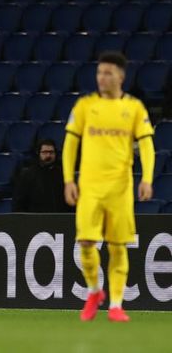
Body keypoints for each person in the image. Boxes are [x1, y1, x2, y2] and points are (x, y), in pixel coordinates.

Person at [62, 52, 155, 322]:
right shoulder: (84, 106)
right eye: (99, 72)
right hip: (89, 186)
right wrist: (69, 179)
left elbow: (147, 145)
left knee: (117, 247)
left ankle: (116, 305)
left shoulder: (135, 108)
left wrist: (147, 178)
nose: (102, 77)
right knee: (87, 244)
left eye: (108, 73)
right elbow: (70, 144)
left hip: (120, 187)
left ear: (121, 77)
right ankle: (94, 292)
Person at [13, 138, 71, 213]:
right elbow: (19, 202)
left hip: (59, 220)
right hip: (36, 221)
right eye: (45, 152)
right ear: (38, 153)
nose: (48, 155)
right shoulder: (28, 174)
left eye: (51, 152)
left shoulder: (63, 174)